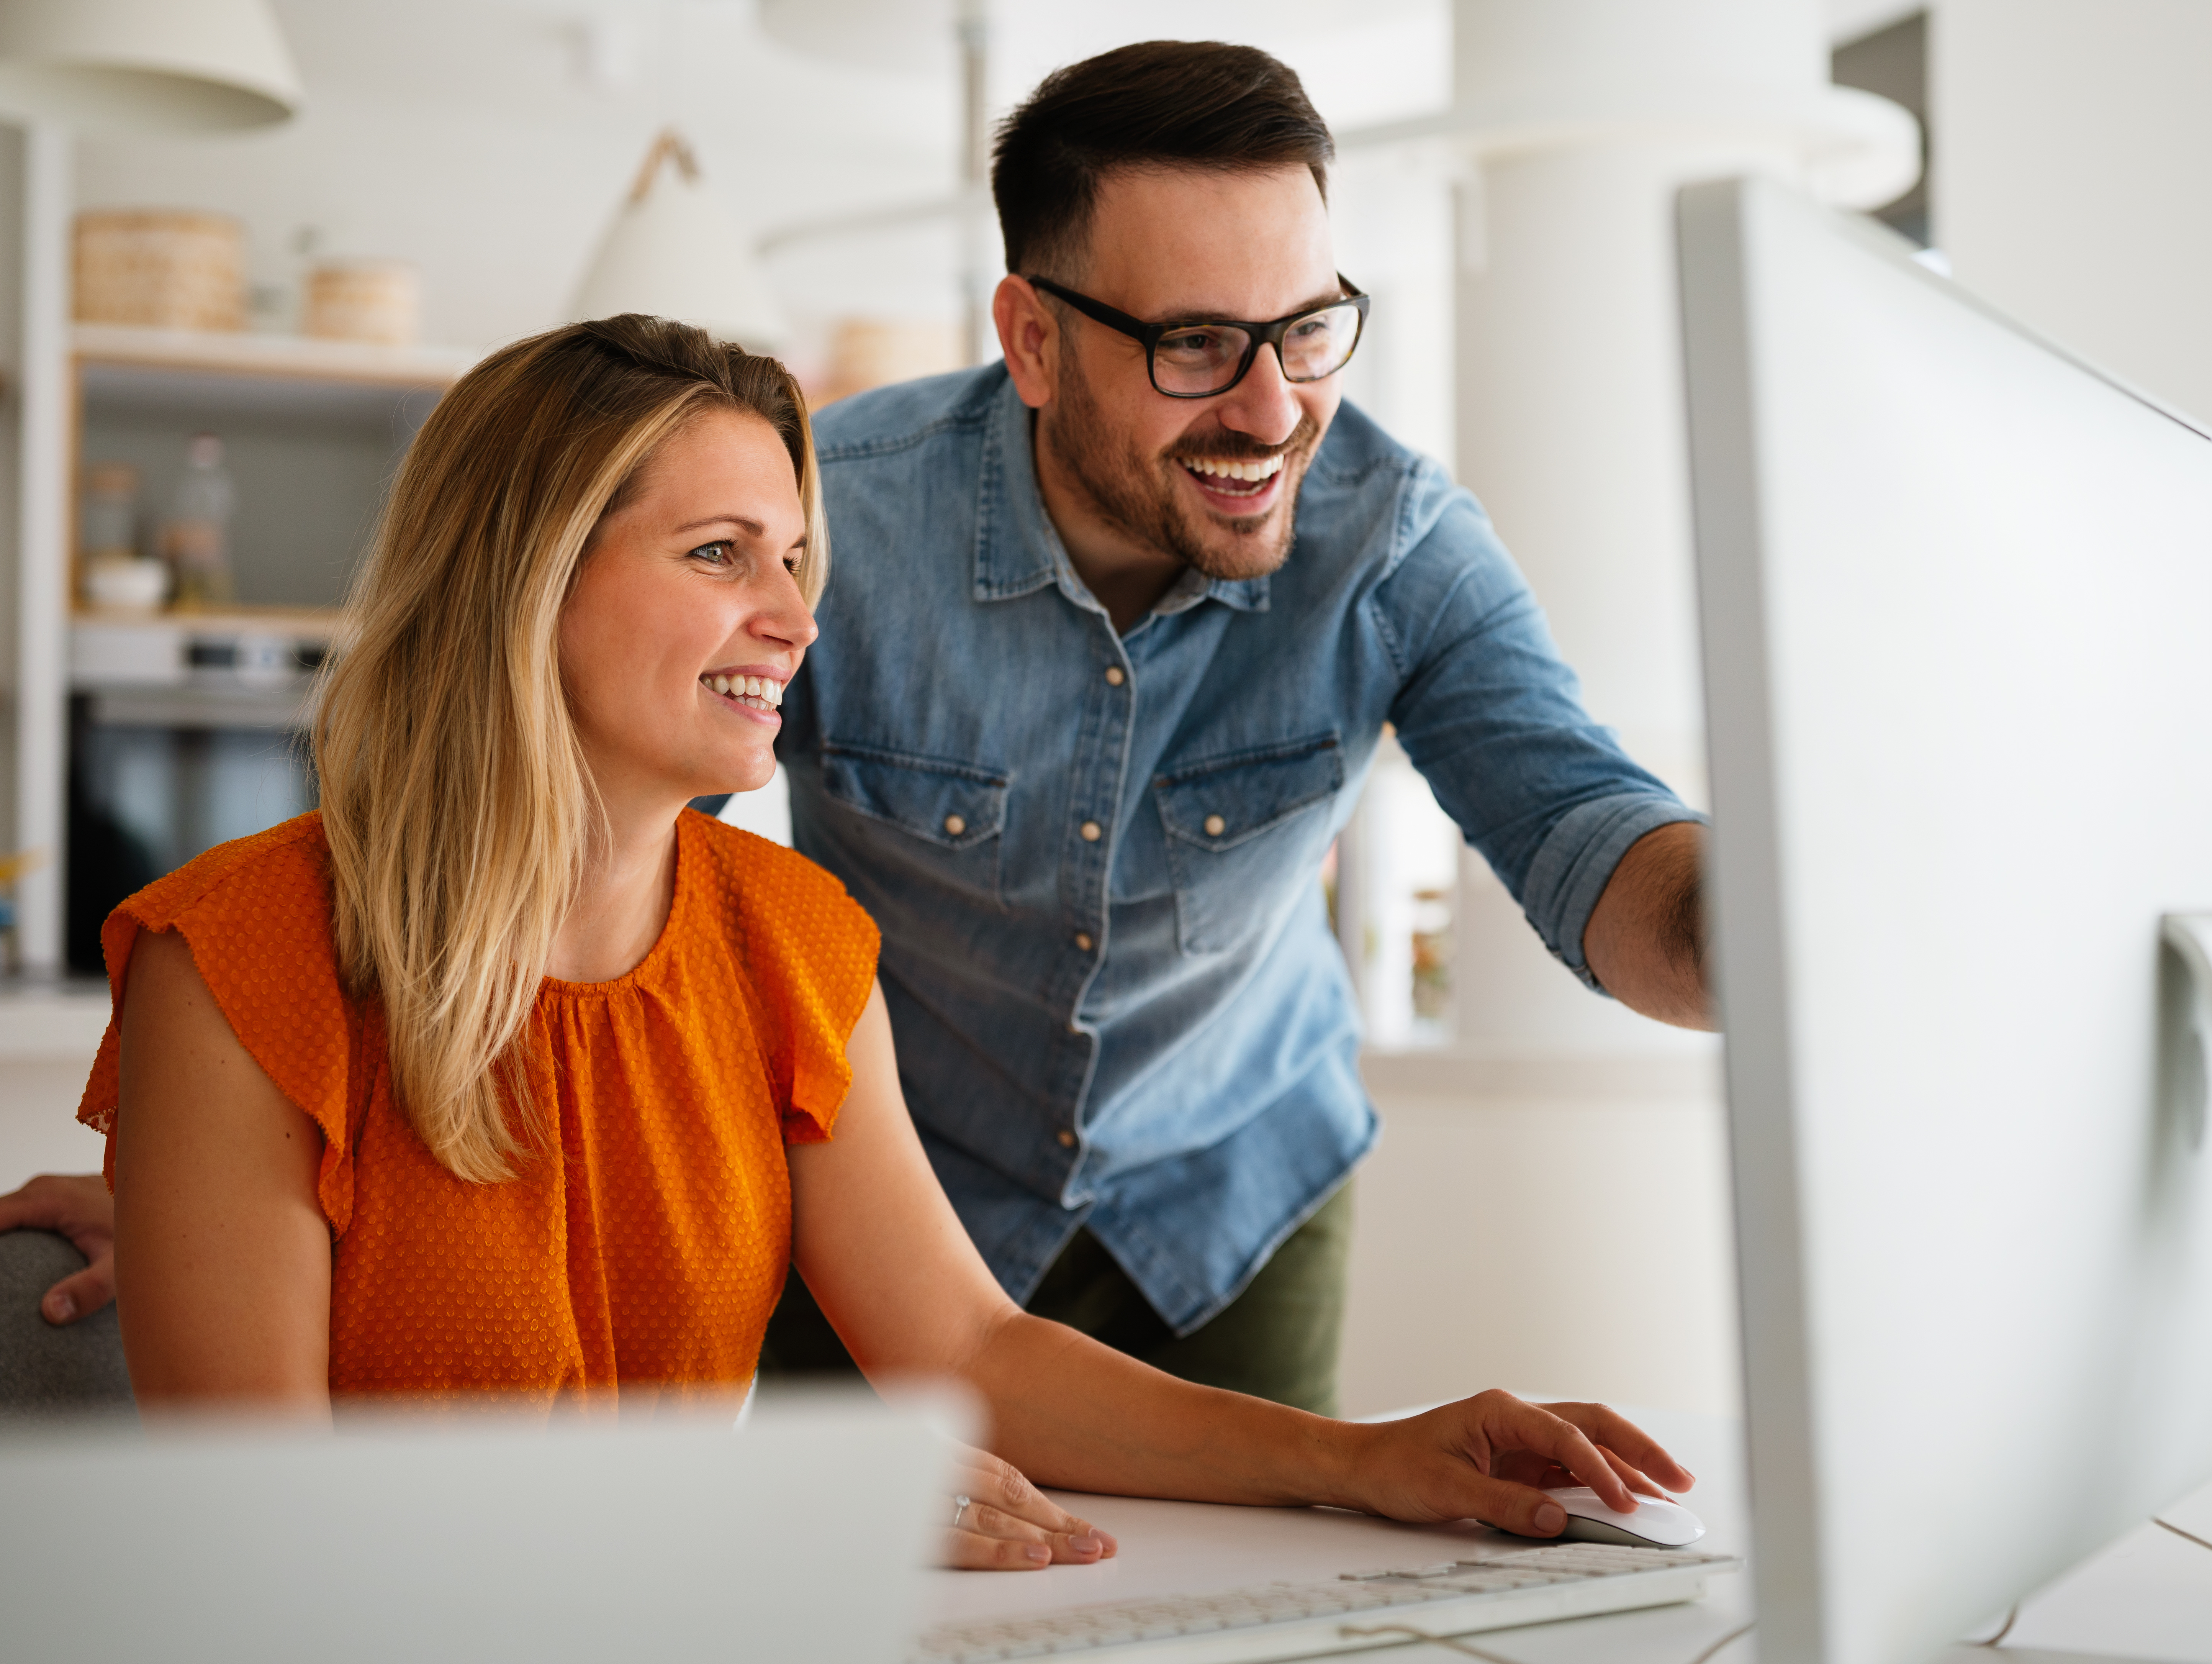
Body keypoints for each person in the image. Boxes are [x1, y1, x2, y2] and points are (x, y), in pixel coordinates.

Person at [7, 38, 1713, 1420]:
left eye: (1308, 327)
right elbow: (574, 810)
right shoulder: (848, 513)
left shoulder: (1396, 541)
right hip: (879, 1190)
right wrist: (258, 1187)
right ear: (1032, 339)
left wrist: (1774, 934)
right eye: (1198, 345)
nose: (1274, 408)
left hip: (1228, 1187)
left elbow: (1587, 839)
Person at [64, 313, 1692, 1567]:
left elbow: (966, 1349)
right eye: (717, 556)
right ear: (521, 581)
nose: (791, 616)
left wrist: (1375, 1457)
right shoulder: (244, 966)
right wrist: (777, 1510)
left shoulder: (791, 942)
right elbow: (255, 1542)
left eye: (793, 558)